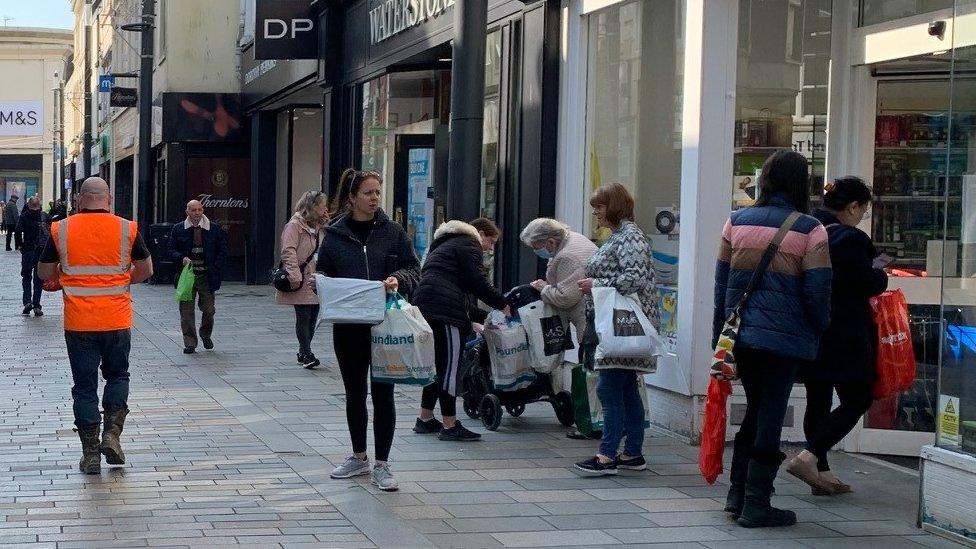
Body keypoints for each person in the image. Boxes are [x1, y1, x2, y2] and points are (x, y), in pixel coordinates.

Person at [713, 150, 832, 528]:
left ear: (764, 179)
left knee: (756, 409)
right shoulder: (811, 229)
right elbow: (818, 290)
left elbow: (721, 285)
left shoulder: (736, 221)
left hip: (742, 335)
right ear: (800, 182)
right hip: (784, 339)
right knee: (769, 414)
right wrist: (819, 328)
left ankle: (737, 494)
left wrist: (722, 335)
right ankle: (756, 503)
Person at [37, 177, 154, 474]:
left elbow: (44, 271)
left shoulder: (61, 229)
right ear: (109, 198)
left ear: (79, 199)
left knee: (84, 387)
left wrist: (66, 277)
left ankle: (90, 454)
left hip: (79, 323)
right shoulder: (127, 228)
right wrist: (120, 282)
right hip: (116, 319)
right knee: (117, 376)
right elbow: (146, 269)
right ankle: (112, 434)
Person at [316, 168, 420, 492]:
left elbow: (414, 268)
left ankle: (383, 465)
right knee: (355, 394)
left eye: (377, 192)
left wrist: (398, 280)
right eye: (368, 193)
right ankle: (359, 456)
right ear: (352, 198)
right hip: (349, 328)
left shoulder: (393, 232)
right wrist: (317, 283)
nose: (375, 198)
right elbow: (323, 275)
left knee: (384, 393)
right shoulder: (334, 236)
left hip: (385, 325)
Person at [788, 176, 887, 495]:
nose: (861, 216)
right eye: (863, 209)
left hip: (810, 330)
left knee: (818, 399)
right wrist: (881, 273)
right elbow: (866, 282)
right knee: (859, 398)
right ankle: (809, 456)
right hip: (844, 334)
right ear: (853, 206)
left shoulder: (806, 229)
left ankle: (822, 473)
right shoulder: (849, 239)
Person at [573, 183, 659, 476]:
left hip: (621, 327)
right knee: (625, 389)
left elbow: (633, 279)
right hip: (616, 325)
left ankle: (607, 456)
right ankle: (632, 453)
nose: (596, 212)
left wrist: (595, 284)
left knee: (609, 389)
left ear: (615, 206)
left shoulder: (630, 236)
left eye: (600, 206)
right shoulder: (620, 236)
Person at [412, 218, 510, 442]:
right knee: (449, 368)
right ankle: (450, 424)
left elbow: (455, 292)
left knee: (437, 367)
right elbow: (478, 282)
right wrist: (503, 304)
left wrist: (478, 318)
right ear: (482, 234)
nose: (490, 248)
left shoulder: (448, 243)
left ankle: (425, 419)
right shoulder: (469, 243)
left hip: (427, 306)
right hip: (442, 312)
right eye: (491, 242)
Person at [276, 190, 329, 369]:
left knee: (313, 316)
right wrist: (294, 276)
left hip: (317, 277)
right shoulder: (295, 225)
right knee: (303, 316)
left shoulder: (320, 225)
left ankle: (303, 351)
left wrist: (327, 223)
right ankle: (307, 353)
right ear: (312, 206)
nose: (325, 209)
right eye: (322, 206)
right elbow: (288, 251)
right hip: (301, 276)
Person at [521, 218, 598, 338]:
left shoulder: (567, 256)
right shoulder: (572, 237)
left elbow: (566, 297)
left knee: (588, 353)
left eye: (536, 247)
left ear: (550, 242)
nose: (535, 251)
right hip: (595, 315)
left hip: (589, 322)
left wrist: (544, 288)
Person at [169, 200, 227, 354]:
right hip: (186, 277)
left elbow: (222, 250)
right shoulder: (178, 229)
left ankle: (205, 334)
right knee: (186, 312)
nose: (196, 213)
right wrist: (181, 258)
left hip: (206, 276)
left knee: (208, 309)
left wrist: (215, 267)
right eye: (193, 210)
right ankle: (190, 343)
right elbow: (171, 249)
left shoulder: (213, 228)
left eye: (199, 210)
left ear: (203, 211)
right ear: (187, 211)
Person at [14, 197, 51, 316]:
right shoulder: (44, 216)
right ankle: (36, 305)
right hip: (41, 251)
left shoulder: (24, 216)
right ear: (39, 205)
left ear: (29, 205)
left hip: (28, 250)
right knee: (38, 278)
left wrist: (20, 245)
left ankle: (27, 302)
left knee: (26, 277)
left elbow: (18, 231)